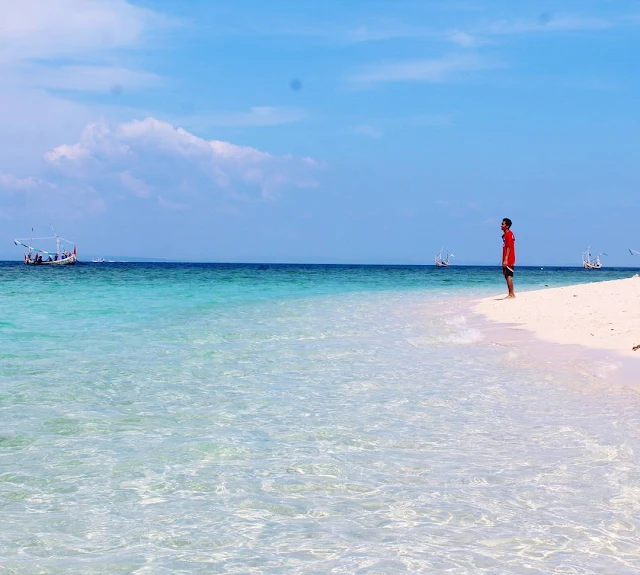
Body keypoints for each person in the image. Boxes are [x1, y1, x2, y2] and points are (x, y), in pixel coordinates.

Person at [501, 218, 516, 298]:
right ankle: (510, 293)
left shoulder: (509, 234)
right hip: (506, 258)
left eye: (503, 224)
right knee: (506, 275)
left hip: (509, 259)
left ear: (507, 226)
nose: (501, 225)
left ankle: (511, 294)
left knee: (508, 275)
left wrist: (506, 259)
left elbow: (509, 247)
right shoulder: (506, 235)